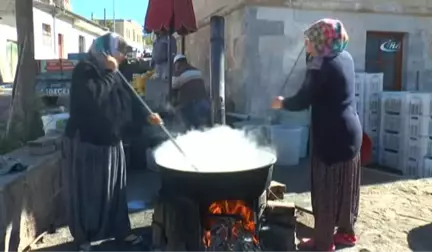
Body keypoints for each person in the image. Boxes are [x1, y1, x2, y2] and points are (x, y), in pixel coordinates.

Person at [62, 33, 162, 252]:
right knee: (87, 193)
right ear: (106, 52)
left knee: (116, 191)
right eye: (120, 53)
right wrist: (110, 72)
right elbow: (94, 97)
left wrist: (147, 115)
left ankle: (121, 231)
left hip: (111, 140)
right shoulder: (85, 71)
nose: (123, 59)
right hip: (87, 143)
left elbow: (129, 96)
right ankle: (84, 237)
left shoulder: (115, 71)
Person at [271, 18, 362, 252]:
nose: (306, 43)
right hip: (351, 133)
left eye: (310, 39)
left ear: (321, 41)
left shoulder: (320, 64)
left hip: (330, 137)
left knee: (326, 190)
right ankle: (346, 233)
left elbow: (303, 98)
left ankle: (323, 242)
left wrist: (282, 103)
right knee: (346, 187)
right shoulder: (345, 57)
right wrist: (311, 57)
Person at [172, 54, 211, 129]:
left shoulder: (178, 73)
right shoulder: (197, 70)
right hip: (204, 101)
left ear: (177, 63)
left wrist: (173, 104)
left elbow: (174, 90)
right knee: (203, 124)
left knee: (189, 122)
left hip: (191, 104)